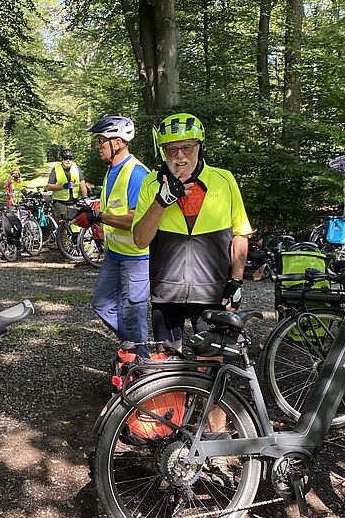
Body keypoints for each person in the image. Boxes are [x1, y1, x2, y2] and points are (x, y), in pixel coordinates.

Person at [133, 113, 252, 351]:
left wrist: (236, 281)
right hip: (167, 293)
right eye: (171, 149)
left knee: (210, 364)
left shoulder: (223, 180)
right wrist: (162, 201)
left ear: (199, 147)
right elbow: (140, 240)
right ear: (162, 153)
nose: (179, 156)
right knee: (167, 366)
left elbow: (240, 234)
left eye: (187, 147)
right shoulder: (150, 183)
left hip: (211, 291)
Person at [75, 117, 150, 345]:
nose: (99, 146)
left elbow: (137, 221)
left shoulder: (136, 173)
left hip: (136, 256)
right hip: (114, 253)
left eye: (101, 141)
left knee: (133, 311)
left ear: (116, 142)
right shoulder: (113, 171)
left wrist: (97, 216)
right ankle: (133, 345)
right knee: (102, 304)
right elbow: (113, 208)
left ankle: (141, 361)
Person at [45, 148, 89, 218]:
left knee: (75, 224)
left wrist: (85, 197)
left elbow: (82, 183)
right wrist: (64, 186)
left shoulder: (76, 168)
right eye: (65, 158)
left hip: (74, 202)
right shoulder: (56, 169)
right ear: (62, 159)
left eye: (70, 158)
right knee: (64, 224)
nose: (68, 160)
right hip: (60, 203)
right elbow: (49, 187)